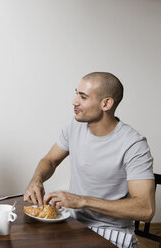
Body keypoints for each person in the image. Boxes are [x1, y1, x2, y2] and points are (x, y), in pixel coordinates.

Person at [24, 72, 155, 248]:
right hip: (73, 223)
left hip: (112, 231)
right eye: (76, 93)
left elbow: (146, 209)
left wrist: (81, 201)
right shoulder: (75, 126)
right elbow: (50, 160)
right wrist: (36, 180)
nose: (74, 101)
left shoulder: (133, 144)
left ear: (106, 103)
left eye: (83, 97)